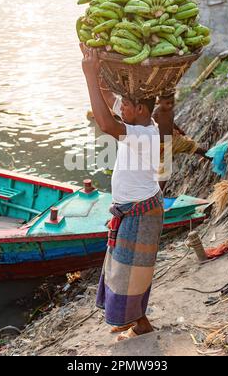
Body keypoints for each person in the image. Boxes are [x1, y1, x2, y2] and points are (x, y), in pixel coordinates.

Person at [81, 44, 164, 341]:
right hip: (132, 211)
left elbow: (104, 122)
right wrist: (99, 66)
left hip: (142, 213)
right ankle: (131, 318)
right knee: (123, 270)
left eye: (125, 105)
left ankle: (141, 324)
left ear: (140, 109)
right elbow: (108, 99)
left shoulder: (144, 134)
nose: (120, 108)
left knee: (132, 273)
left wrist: (89, 75)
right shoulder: (138, 119)